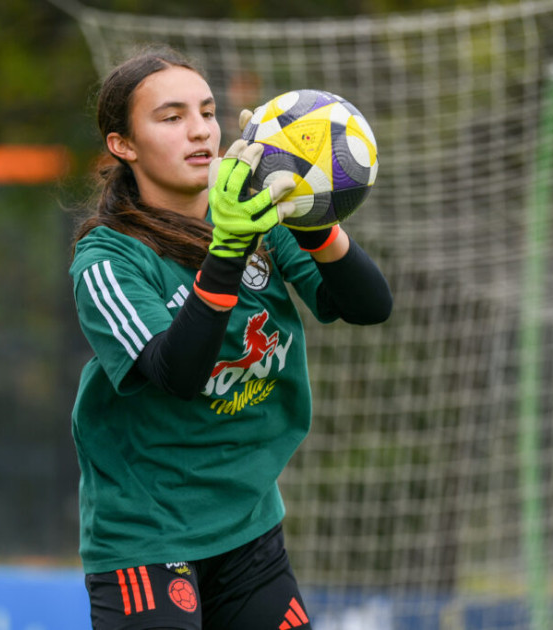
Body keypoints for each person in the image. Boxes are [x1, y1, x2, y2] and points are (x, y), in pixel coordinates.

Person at [69, 45, 392, 630]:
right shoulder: (108, 259)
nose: (199, 130)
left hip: (248, 525)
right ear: (123, 145)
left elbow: (367, 306)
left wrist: (314, 218)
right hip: (149, 533)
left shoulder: (256, 211)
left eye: (207, 111)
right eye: (171, 117)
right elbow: (177, 373)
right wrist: (227, 251)